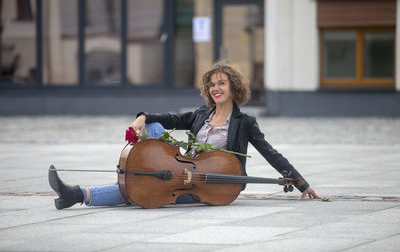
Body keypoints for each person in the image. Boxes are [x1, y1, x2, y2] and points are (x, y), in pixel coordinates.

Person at [49, 60, 321, 210]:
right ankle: (88, 190)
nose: (216, 88)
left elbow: (270, 152)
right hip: (183, 172)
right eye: (212, 84)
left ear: (233, 87)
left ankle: (78, 194)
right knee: (154, 130)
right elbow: (171, 120)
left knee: (144, 189)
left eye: (221, 83)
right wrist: (143, 117)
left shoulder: (244, 122)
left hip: (212, 183)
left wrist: (301, 183)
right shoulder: (201, 114)